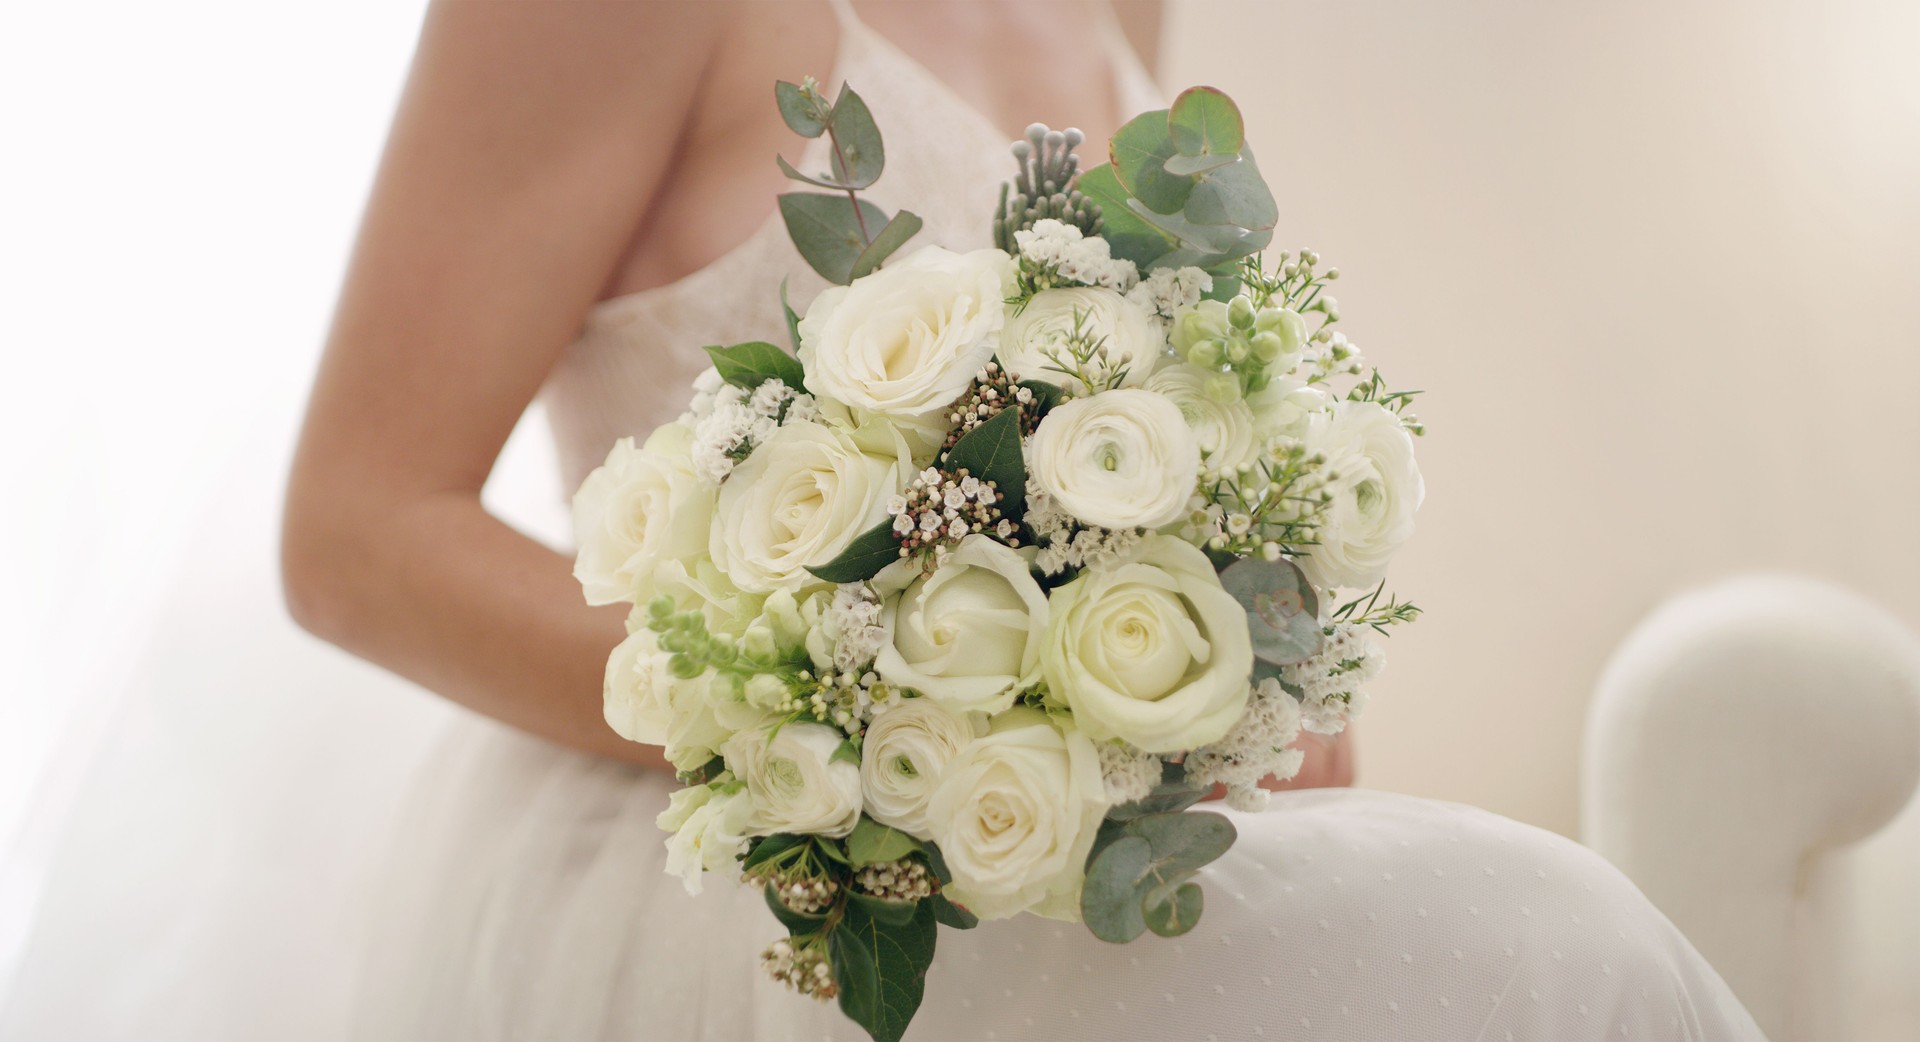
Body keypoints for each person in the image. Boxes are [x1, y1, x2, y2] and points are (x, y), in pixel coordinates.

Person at [6, 3, 1763, 1040]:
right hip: (723, 859)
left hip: (1045, 859)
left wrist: (1236, 661)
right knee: (1554, 942)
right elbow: (356, 532)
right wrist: (864, 715)